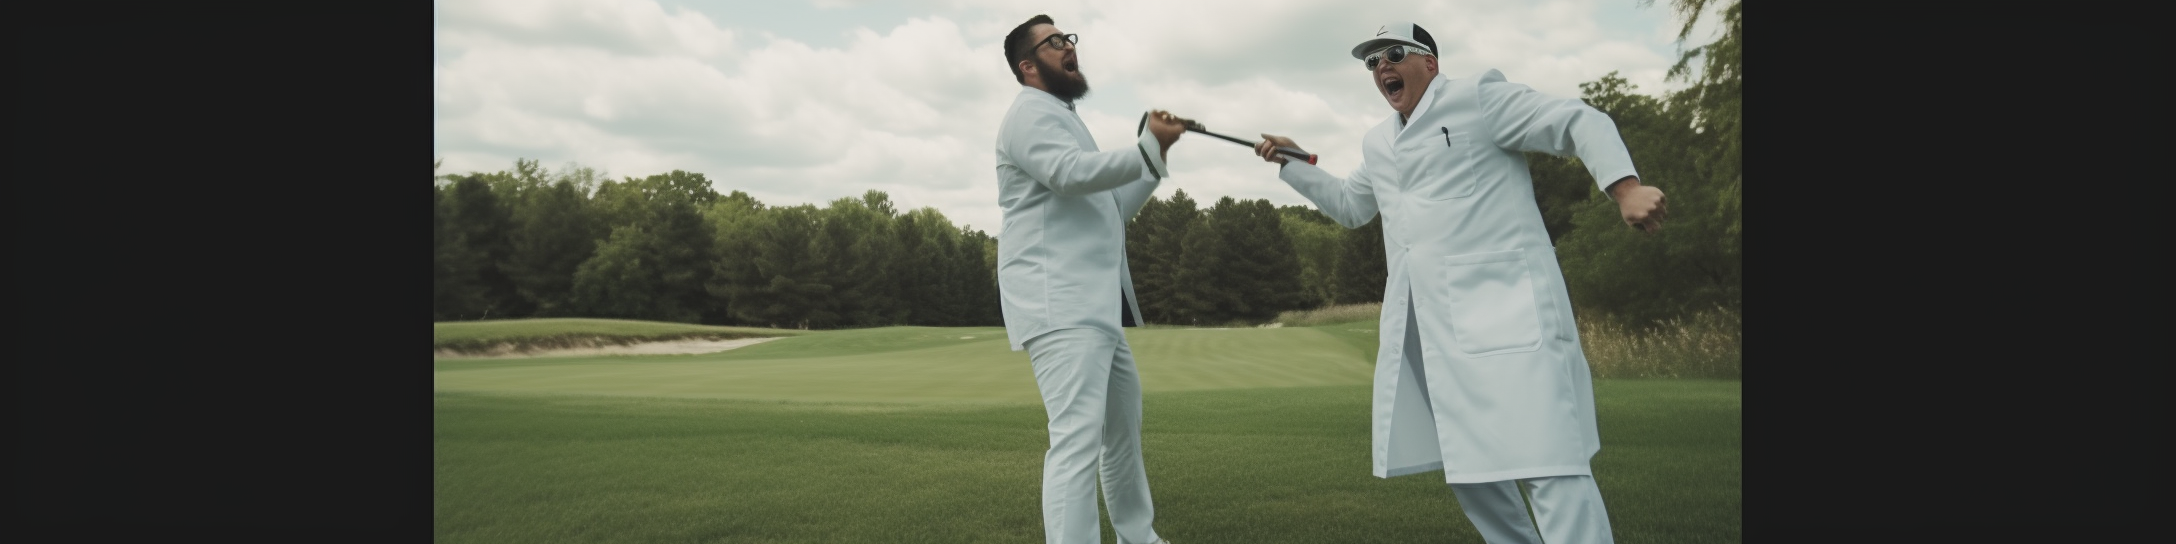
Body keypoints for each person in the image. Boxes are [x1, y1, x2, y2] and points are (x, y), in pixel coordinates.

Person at [1251, 22, 1667, 544]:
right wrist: (1294, 161)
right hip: (1435, 335)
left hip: (1512, 318)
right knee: (1473, 476)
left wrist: (1625, 188)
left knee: (1550, 465)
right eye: (1372, 61)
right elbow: (1351, 207)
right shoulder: (1378, 142)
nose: (1382, 67)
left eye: (1394, 54)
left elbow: (1576, 120)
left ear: (1430, 62)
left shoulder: (1479, 98)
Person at [994, 14, 1185, 544]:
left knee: (1120, 434)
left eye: (1068, 38)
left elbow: (1109, 209)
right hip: (1058, 302)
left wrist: (1154, 153)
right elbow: (1070, 175)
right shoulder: (1029, 114)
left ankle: (1137, 537)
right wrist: (1145, 147)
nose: (1067, 46)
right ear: (1028, 66)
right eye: (1053, 42)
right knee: (1076, 439)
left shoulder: (1061, 115)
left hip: (1094, 307)